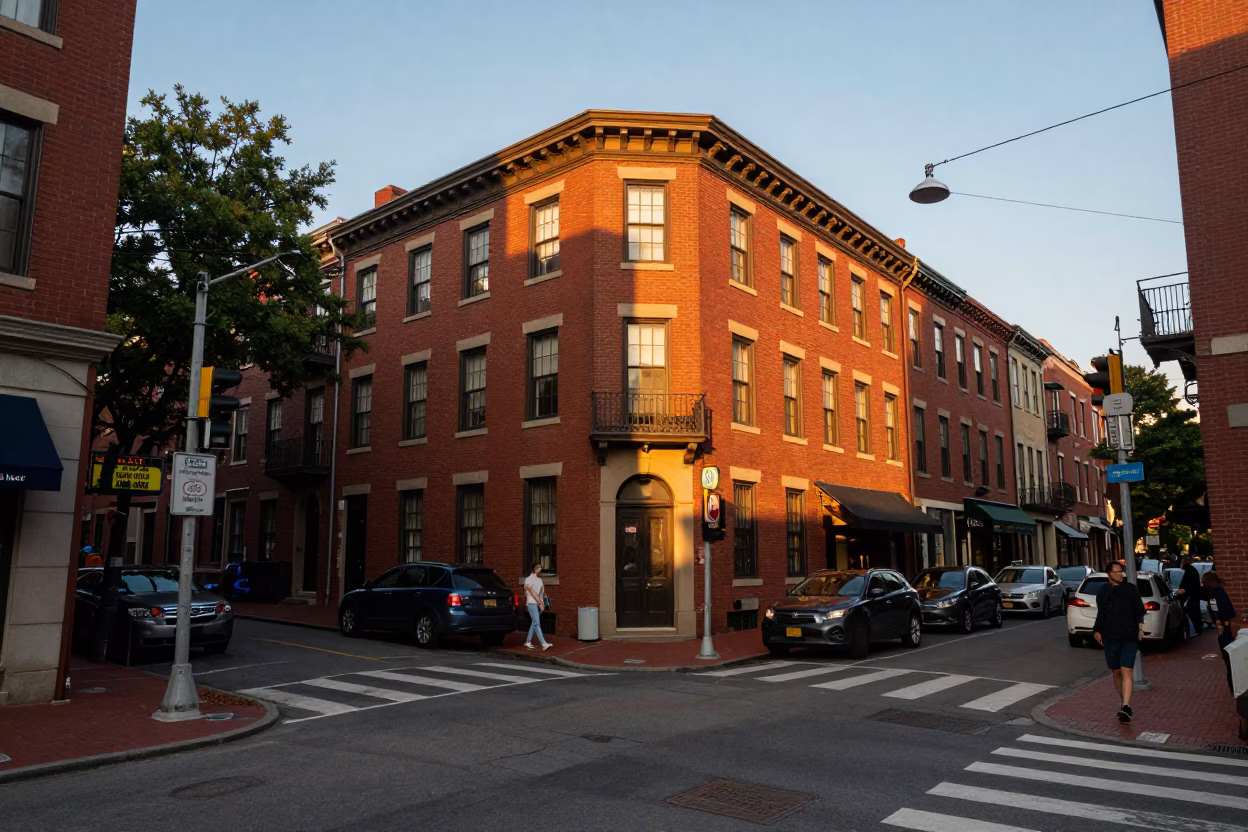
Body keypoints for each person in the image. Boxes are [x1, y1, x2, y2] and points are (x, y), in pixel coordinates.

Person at [1093, 561, 1146, 723]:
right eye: (1117, 572)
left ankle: (1126, 706)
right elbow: (1101, 613)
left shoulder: (1131, 589)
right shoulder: (1103, 591)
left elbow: (1139, 611)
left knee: (1127, 670)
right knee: (1116, 672)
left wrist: (1140, 628)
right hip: (1110, 636)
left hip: (1129, 636)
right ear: (1109, 574)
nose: (1120, 574)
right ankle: (1124, 703)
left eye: (1121, 572)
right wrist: (1096, 630)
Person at [1203, 571, 1238, 694]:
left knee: (1230, 663)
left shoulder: (1219, 595)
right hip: (1223, 631)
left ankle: (1235, 690)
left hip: (1225, 632)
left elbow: (1229, 614)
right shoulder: (1216, 594)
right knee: (1229, 663)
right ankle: (1234, 689)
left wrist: (1223, 626)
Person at [523, 562, 553, 651]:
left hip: (534, 603)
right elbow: (535, 592)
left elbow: (539, 593)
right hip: (533, 604)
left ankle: (528, 642)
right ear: (534, 569)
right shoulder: (531, 580)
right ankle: (543, 643)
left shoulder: (534, 580)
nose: (539, 569)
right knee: (536, 623)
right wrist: (541, 603)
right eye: (538, 568)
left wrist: (541, 604)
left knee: (534, 623)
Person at [1175, 556, 1204, 637]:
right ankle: (1197, 629)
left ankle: (1191, 630)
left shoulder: (1183, 571)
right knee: (1195, 613)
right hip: (1195, 595)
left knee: (1188, 614)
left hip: (1188, 596)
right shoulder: (1193, 570)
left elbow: (1182, 585)